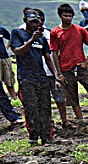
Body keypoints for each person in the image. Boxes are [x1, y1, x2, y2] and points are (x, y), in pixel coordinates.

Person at [49, 3, 88, 125]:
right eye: (65, 16)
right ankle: (81, 122)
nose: (68, 18)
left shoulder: (80, 30)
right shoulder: (55, 32)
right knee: (73, 98)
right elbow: (54, 54)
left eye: (70, 16)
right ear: (60, 16)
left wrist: (86, 62)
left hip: (80, 67)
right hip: (66, 69)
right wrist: (58, 73)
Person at [11, 11, 57, 144]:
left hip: (41, 77)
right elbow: (18, 51)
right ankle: (33, 137)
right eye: (32, 21)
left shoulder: (42, 38)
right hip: (26, 77)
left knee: (45, 108)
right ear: (25, 20)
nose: (35, 24)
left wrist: (56, 76)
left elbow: (48, 57)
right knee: (32, 109)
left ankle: (46, 137)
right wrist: (31, 40)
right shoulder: (18, 33)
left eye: (37, 22)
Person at [25, 8, 69, 130]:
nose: (40, 23)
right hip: (38, 74)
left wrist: (58, 73)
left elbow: (54, 53)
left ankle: (64, 121)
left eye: (41, 20)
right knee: (43, 102)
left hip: (51, 71)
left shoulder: (50, 34)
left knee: (60, 98)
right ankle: (48, 124)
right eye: (37, 21)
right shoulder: (24, 34)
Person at [0, 25, 18, 100]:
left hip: (4, 57)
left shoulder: (1, 29)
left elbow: (10, 38)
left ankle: (14, 98)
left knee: (9, 80)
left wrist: (6, 48)